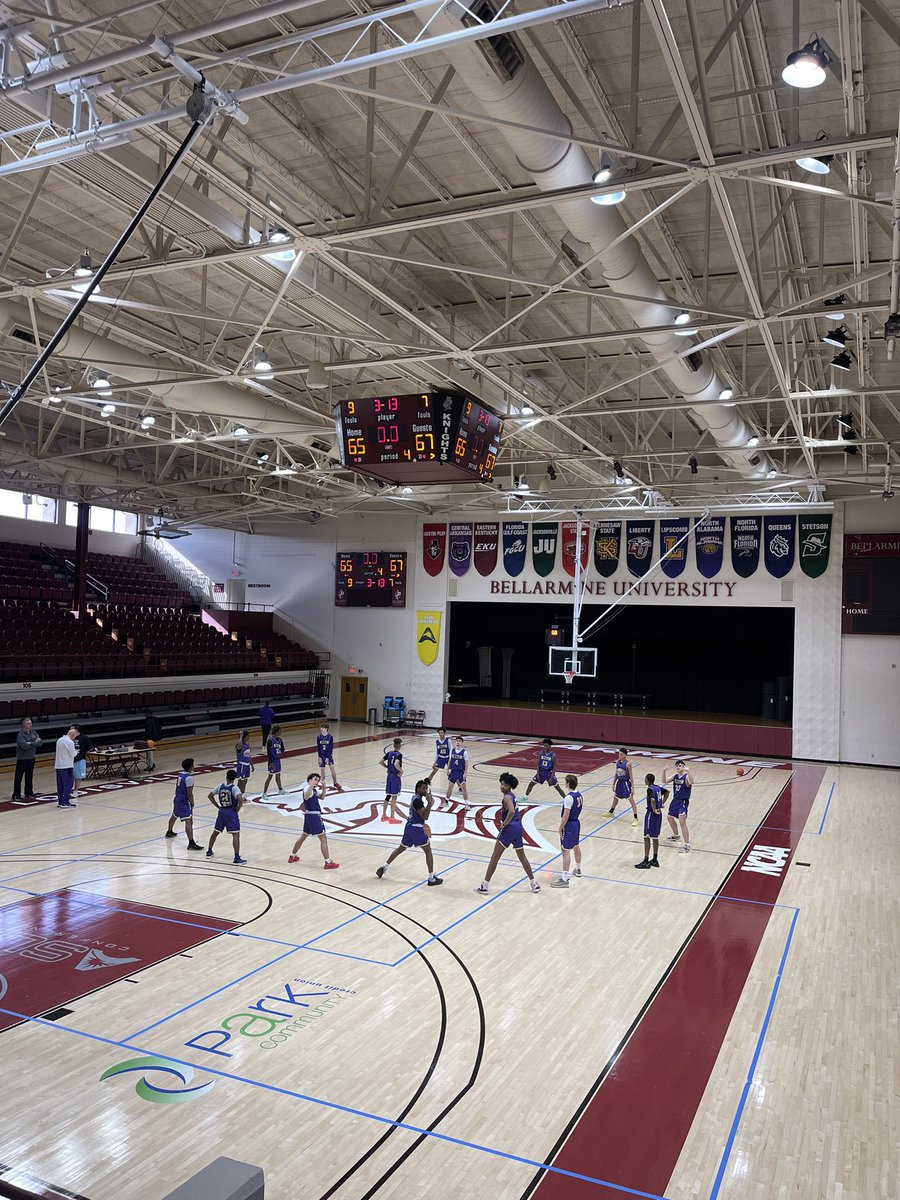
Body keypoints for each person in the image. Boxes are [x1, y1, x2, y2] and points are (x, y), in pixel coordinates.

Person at [474, 774, 540, 895]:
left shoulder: (507, 798)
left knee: (495, 857)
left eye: (504, 785)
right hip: (518, 827)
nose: (502, 786)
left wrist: (504, 823)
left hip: (509, 828)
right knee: (522, 857)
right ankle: (534, 883)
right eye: (501, 784)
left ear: (510, 786)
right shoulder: (512, 796)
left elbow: (511, 811)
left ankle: (485, 886)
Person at [376, 779, 443, 886]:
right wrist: (430, 804)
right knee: (428, 851)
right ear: (418, 789)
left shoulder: (414, 798)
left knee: (400, 848)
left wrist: (428, 803)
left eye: (426, 788)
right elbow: (425, 816)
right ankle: (431, 878)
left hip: (409, 827)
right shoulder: (418, 801)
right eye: (423, 788)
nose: (425, 790)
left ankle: (384, 866)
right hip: (416, 829)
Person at [288, 772, 339, 869]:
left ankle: (292, 856)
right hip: (314, 816)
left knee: (303, 836)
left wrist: (324, 788)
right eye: (315, 779)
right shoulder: (308, 788)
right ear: (309, 780)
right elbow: (306, 797)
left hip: (309, 816)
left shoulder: (314, 790)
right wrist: (311, 785)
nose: (317, 781)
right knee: (323, 838)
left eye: (317, 780)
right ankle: (328, 862)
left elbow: (322, 797)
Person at [205, 769, 246, 864]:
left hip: (222, 811)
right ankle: (236, 857)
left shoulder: (220, 786)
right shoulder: (235, 788)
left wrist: (217, 806)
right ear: (235, 778)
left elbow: (210, 796)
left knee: (215, 832)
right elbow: (240, 799)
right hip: (231, 812)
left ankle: (209, 851)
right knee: (235, 834)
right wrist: (238, 809)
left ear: (226, 777)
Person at [551, 774, 584, 888]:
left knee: (565, 850)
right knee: (576, 846)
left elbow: (565, 815)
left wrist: (560, 828)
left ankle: (564, 878)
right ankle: (578, 869)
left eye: (565, 782)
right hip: (576, 823)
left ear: (568, 784)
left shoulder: (568, 798)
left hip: (569, 825)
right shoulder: (579, 795)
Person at [165, 757, 203, 849]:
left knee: (174, 815)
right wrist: (192, 803)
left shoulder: (180, 774)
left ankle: (169, 831)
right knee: (189, 820)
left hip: (177, 798)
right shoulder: (189, 778)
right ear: (190, 767)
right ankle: (191, 843)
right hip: (183, 801)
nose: (194, 767)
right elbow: (189, 793)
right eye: (193, 765)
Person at [635, 773, 668, 870]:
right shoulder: (657, 787)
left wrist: (653, 809)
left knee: (646, 837)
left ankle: (646, 861)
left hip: (651, 814)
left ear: (647, 780)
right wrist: (661, 804)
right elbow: (667, 792)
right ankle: (655, 859)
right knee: (655, 837)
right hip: (659, 814)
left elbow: (652, 799)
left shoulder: (650, 789)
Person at [663, 759, 693, 853]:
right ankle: (676, 835)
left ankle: (687, 845)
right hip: (675, 800)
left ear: (684, 767)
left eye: (680, 765)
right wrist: (664, 771)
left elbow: (691, 782)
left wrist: (689, 771)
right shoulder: (675, 776)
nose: (678, 767)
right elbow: (664, 781)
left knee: (682, 821)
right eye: (677, 765)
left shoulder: (686, 776)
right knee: (669, 817)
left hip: (683, 801)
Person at [12, 717, 41, 802]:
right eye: (29, 723)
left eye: (31, 723)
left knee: (29, 776)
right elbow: (23, 746)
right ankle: (16, 794)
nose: (31, 725)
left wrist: (30, 743)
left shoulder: (34, 732)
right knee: (19, 777)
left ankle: (28, 792)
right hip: (22, 759)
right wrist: (34, 743)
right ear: (24, 725)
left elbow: (40, 742)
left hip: (31, 758)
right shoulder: (21, 734)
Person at [608, 747, 638, 827]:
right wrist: (613, 783)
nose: (619, 755)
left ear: (625, 755)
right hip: (619, 783)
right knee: (615, 798)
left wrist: (633, 788)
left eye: (621, 754)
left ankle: (635, 818)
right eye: (619, 754)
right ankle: (611, 812)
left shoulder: (628, 764)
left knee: (631, 800)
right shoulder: (617, 762)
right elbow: (616, 774)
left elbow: (631, 777)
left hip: (625, 784)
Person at [55, 725, 79, 809]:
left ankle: (60, 801)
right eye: (75, 736)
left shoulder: (60, 740)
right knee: (68, 784)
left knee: (60, 784)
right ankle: (65, 802)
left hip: (58, 765)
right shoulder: (69, 742)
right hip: (67, 766)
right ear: (73, 735)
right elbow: (73, 754)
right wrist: (76, 752)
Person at [444, 735, 470, 812]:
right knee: (450, 787)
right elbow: (449, 761)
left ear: (462, 743)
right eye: (457, 741)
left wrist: (465, 773)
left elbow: (467, 763)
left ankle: (467, 804)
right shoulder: (452, 751)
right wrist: (448, 769)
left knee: (463, 789)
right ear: (455, 742)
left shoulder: (464, 752)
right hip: (453, 772)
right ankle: (446, 801)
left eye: (460, 741)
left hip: (460, 772)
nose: (458, 742)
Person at [381, 737, 403, 823]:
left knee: (388, 795)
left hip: (389, 776)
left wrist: (387, 767)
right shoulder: (399, 755)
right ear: (400, 745)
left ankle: (383, 815)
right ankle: (392, 817)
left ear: (393, 745)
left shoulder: (389, 753)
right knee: (394, 797)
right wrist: (401, 770)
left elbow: (380, 762)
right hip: (395, 777)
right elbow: (396, 763)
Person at [316, 722, 343, 792]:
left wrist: (328, 757)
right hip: (322, 755)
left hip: (328, 755)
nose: (320, 729)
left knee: (332, 769)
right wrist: (319, 757)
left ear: (326, 729)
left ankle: (335, 782)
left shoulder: (330, 737)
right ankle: (323, 784)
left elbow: (331, 747)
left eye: (322, 728)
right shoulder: (318, 737)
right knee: (322, 770)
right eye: (320, 727)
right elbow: (318, 748)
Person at [261, 725, 286, 800]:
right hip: (272, 761)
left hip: (277, 760)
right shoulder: (270, 740)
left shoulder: (280, 740)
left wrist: (278, 753)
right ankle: (264, 793)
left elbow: (283, 749)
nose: (281, 732)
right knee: (270, 776)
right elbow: (268, 753)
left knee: (278, 775)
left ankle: (280, 790)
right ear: (277, 731)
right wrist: (271, 762)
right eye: (280, 730)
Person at [427, 727, 451, 794]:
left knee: (451, 773)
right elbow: (436, 753)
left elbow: (451, 751)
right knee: (434, 771)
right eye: (439, 733)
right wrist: (434, 762)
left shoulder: (448, 741)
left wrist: (450, 760)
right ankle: (427, 782)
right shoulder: (437, 741)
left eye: (442, 732)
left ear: (444, 733)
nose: (441, 734)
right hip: (440, 757)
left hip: (447, 757)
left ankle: (460, 786)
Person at [71, 727, 93, 799]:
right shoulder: (69, 738)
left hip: (79, 759)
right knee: (70, 776)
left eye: (72, 729)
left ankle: (75, 791)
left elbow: (90, 747)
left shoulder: (84, 737)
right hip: (69, 760)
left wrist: (84, 753)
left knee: (78, 776)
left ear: (77, 730)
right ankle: (68, 790)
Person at [235, 730, 254, 796]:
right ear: (245, 737)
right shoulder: (239, 745)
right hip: (241, 765)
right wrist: (241, 735)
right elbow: (239, 744)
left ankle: (242, 795)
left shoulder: (247, 744)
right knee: (241, 781)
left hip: (247, 765)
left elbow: (249, 755)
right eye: (248, 736)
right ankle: (237, 795)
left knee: (245, 781)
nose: (249, 737)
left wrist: (252, 764)